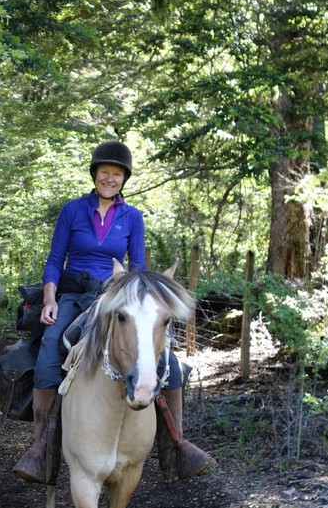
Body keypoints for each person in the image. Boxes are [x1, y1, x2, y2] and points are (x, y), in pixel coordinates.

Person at [13, 140, 215, 484]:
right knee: (48, 353)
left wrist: (141, 297)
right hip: (76, 294)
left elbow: (137, 265)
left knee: (172, 366)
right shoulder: (72, 211)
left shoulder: (132, 216)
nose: (110, 178)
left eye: (117, 174)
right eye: (104, 172)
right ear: (95, 175)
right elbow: (53, 261)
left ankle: (176, 448)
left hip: (119, 296)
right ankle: (42, 450)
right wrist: (50, 300)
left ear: (124, 179)